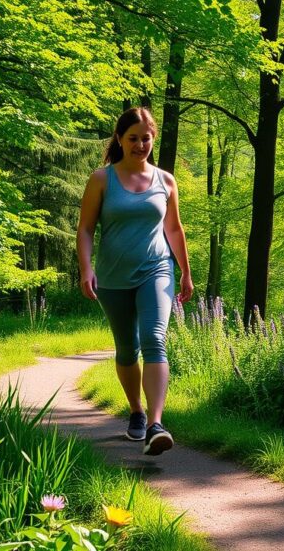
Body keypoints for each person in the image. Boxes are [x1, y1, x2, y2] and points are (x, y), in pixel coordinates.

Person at [76, 107, 193, 456]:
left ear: (153, 138)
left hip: (157, 269)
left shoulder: (165, 181)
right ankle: (136, 411)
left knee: (154, 338)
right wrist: (86, 268)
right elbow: (85, 228)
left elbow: (174, 229)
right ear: (120, 139)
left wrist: (185, 272)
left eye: (146, 138)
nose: (140, 145)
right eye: (133, 138)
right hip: (113, 277)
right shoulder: (102, 179)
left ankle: (156, 424)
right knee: (128, 350)